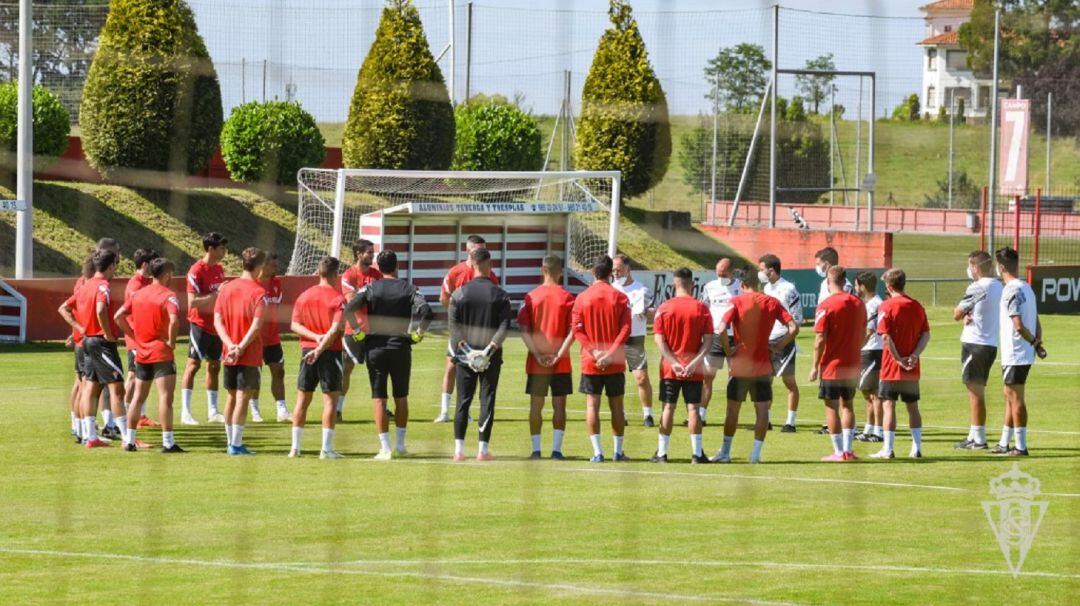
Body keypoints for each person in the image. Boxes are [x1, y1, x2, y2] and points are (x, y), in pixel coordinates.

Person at [344, 249, 433, 460]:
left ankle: (384, 449)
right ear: (397, 266)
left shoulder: (370, 287)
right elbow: (427, 311)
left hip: (375, 347)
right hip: (401, 347)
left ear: (378, 267)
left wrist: (357, 333)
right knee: (401, 397)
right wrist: (418, 334)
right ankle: (400, 445)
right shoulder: (409, 289)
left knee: (379, 398)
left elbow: (348, 308)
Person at [712, 267, 797, 463]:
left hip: (741, 365)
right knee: (762, 411)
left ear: (741, 284)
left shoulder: (736, 302)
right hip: (762, 366)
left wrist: (728, 350)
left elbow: (721, 328)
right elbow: (793, 328)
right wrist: (777, 346)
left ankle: (725, 452)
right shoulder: (772, 302)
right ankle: (755, 455)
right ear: (759, 284)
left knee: (733, 410)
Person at [58, 249, 128, 449]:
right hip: (101, 342)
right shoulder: (103, 287)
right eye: (115, 265)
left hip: (87, 341)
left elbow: (63, 308)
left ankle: (90, 437)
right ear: (111, 266)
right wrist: (107, 333)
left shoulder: (84, 286)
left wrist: (80, 328)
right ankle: (127, 437)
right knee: (117, 389)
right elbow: (100, 309)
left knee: (90, 387)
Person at [447, 248, 512, 461]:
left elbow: (453, 326)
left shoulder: (459, 293)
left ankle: (459, 450)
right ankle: (482, 451)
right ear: (489, 264)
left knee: (462, 400)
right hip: (490, 358)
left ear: (472, 264)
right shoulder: (500, 294)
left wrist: (467, 349)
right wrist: (488, 350)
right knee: (487, 400)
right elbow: (504, 326)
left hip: (465, 357)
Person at [115, 257, 185, 453]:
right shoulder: (169, 295)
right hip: (161, 352)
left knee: (138, 397)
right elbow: (173, 320)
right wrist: (171, 341)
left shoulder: (137, 294)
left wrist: (133, 335)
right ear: (166, 274)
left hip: (142, 352)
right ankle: (168, 442)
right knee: (165, 397)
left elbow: (118, 316)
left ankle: (129, 441)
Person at [572, 255, 632, 463]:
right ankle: (617, 452)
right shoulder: (620, 297)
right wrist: (610, 352)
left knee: (592, 406)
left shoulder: (582, 298)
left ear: (592, 272)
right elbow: (626, 328)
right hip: (614, 361)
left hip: (591, 361)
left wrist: (594, 352)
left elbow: (577, 330)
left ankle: (598, 452)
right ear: (610, 273)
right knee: (617, 406)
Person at [651, 268, 713, 464]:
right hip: (694, 369)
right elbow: (708, 341)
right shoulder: (701, 308)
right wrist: (693, 363)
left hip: (670, 369)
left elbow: (659, 340)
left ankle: (662, 453)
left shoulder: (664, 308)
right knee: (693, 409)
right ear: (692, 285)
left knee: (668, 407)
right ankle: (696, 454)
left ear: (673, 285)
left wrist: (674, 362)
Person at [289, 256, 348, 459]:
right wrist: (320, 346)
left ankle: (295, 448)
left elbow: (294, 325)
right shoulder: (338, 299)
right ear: (335, 274)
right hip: (329, 352)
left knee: (302, 400)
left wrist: (313, 341)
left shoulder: (304, 296)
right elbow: (334, 330)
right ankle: (326, 449)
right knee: (330, 401)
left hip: (307, 351)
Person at [518, 255, 576, 460]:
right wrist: (559, 354)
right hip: (561, 363)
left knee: (536, 407)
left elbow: (524, 330)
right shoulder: (568, 298)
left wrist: (536, 354)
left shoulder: (531, 297)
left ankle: (535, 450)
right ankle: (557, 450)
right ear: (561, 272)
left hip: (537, 364)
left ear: (542, 270)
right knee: (559, 406)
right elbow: (573, 331)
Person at [436, 234, 498, 423]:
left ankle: (467, 410)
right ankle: (445, 411)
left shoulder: (490, 274)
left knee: (477, 368)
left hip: (481, 331)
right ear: (468, 251)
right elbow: (444, 297)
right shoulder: (456, 272)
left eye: (483, 249)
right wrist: (456, 317)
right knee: (451, 366)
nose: (481, 252)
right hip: (461, 330)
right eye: (477, 249)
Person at [213, 247, 269, 455]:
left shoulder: (226, 288)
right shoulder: (259, 292)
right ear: (260, 267)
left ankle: (231, 442)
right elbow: (256, 326)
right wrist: (241, 347)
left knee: (230, 397)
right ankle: (235, 444)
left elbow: (217, 320)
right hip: (249, 352)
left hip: (228, 351)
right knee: (243, 397)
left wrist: (230, 344)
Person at [871, 268, 931, 460]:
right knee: (912, 406)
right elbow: (926, 334)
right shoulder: (917, 306)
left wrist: (898, 359)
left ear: (889, 286)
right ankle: (917, 446)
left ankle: (888, 449)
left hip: (891, 367)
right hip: (912, 367)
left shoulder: (886, 307)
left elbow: (886, 337)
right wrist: (914, 355)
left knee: (889, 405)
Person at [992, 247, 1045, 457]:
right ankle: (1005, 442)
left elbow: (1019, 325)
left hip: (1015, 352)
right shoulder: (1027, 287)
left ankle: (1021, 446)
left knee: (1015, 397)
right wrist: (1037, 343)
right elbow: (1036, 320)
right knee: (1009, 396)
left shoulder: (1011, 290)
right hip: (1023, 351)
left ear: (1001, 267)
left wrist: (1032, 340)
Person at [809, 266, 866, 462]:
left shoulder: (826, 305)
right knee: (848, 405)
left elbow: (819, 339)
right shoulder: (858, 303)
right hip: (852, 363)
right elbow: (865, 331)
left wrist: (814, 366)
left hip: (832, 364)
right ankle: (849, 450)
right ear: (845, 280)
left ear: (828, 281)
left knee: (831, 407)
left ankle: (838, 451)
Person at [953, 250, 1002, 450]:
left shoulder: (977, 287)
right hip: (990, 343)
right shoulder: (999, 286)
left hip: (975, 343)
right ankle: (973, 434)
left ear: (975, 267)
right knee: (975, 391)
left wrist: (962, 314)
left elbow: (956, 313)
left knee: (975, 393)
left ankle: (979, 439)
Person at [181, 232, 228, 425]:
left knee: (214, 366)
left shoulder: (218, 269)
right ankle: (185, 412)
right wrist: (216, 294)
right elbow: (192, 302)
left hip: (216, 325)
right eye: (221, 248)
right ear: (211, 249)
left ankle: (213, 410)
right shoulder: (196, 271)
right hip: (200, 324)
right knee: (193, 365)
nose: (225, 251)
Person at [339, 239, 382, 422]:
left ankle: (382, 409)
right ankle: (337, 409)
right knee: (346, 368)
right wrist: (367, 296)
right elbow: (351, 303)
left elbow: (379, 300)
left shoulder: (377, 275)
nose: (372, 255)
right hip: (354, 329)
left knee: (379, 370)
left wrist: (362, 295)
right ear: (358, 254)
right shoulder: (348, 276)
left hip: (375, 330)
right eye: (368, 252)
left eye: (372, 252)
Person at [813, 247, 854, 435]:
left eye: (819, 264)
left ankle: (840, 438)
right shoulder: (825, 284)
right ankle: (829, 425)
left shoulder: (844, 286)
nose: (817, 267)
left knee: (838, 394)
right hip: (831, 337)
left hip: (837, 340)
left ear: (828, 264)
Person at [759, 254, 802, 432]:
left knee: (789, 381)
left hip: (784, 339)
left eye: (761, 269)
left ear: (771, 270)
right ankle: (766, 420)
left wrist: (783, 343)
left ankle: (790, 422)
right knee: (766, 381)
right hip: (767, 340)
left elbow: (797, 319)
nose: (759, 273)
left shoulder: (788, 289)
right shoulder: (766, 288)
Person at [611, 254, 656, 427]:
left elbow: (653, 316)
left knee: (641, 377)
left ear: (628, 269)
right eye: (613, 270)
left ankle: (648, 415)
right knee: (617, 378)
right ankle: (620, 414)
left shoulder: (642, 290)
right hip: (614, 339)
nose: (615, 273)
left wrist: (647, 312)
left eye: (619, 269)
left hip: (634, 339)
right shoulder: (611, 289)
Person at [121, 248, 162, 432]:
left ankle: (140, 415)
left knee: (144, 377)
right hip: (136, 338)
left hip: (145, 338)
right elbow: (131, 313)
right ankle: (124, 414)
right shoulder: (135, 285)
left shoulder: (146, 282)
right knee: (133, 375)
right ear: (145, 265)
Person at [699, 258, 741, 424]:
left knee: (735, 377)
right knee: (708, 377)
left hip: (735, 337)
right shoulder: (710, 287)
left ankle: (731, 415)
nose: (721, 277)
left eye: (724, 274)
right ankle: (700, 415)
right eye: (718, 274)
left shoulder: (741, 287)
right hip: (716, 336)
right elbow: (704, 309)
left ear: (732, 272)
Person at [251, 253, 290, 423]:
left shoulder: (276, 283)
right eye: (273, 265)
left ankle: (282, 410)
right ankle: (254, 409)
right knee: (255, 374)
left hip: (273, 337)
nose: (276, 267)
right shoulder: (252, 284)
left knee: (279, 371)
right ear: (263, 265)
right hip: (255, 338)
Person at [854, 271, 885, 443]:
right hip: (869, 350)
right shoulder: (870, 303)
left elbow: (869, 330)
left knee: (874, 393)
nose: (855, 288)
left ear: (863, 286)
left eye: (857, 284)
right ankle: (869, 428)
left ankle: (878, 431)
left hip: (873, 350)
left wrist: (856, 347)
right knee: (868, 393)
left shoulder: (874, 304)